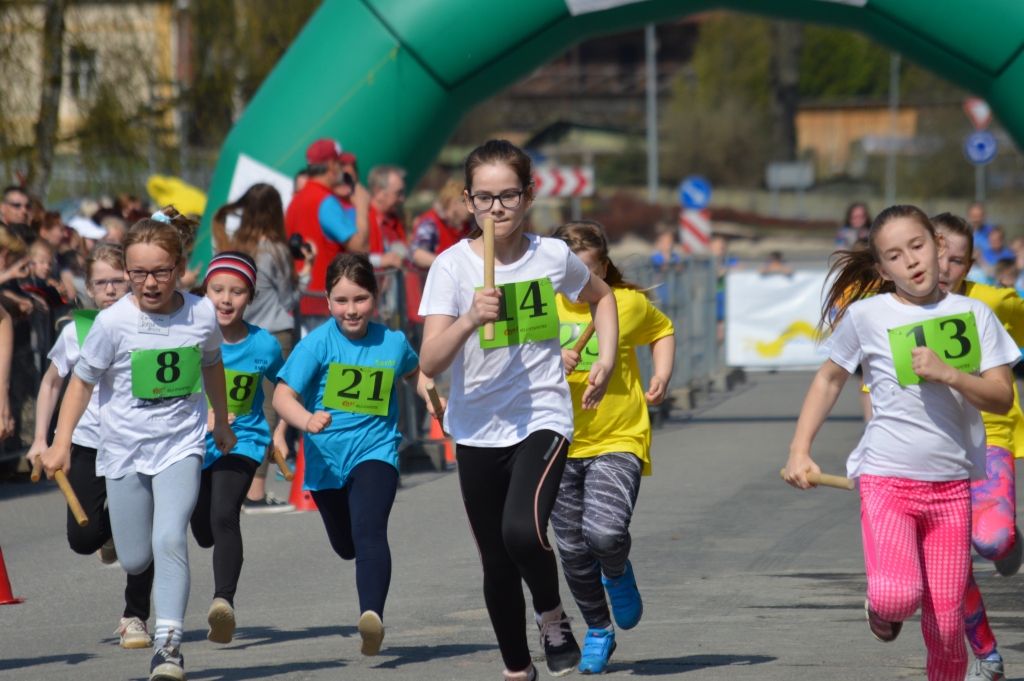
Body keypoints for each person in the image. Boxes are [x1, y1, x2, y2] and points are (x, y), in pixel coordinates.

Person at [783, 205, 1020, 681]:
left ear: (936, 243)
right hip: (886, 480)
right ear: (882, 268)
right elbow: (829, 379)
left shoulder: (974, 313)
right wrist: (799, 449)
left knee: (948, 623)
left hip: (951, 486)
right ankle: (882, 606)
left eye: (917, 246)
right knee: (899, 596)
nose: (911, 261)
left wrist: (949, 374)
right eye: (895, 255)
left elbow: (999, 396)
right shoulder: (867, 315)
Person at [418, 139, 620, 680]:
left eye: (508, 195)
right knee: (496, 559)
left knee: (522, 533)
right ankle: (516, 669)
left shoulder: (551, 257)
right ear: (466, 200)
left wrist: (609, 353)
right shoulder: (451, 267)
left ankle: (552, 615)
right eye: (483, 198)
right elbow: (430, 359)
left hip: (541, 415)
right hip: (476, 427)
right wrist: (467, 320)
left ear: (529, 196)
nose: (496, 208)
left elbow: (602, 297)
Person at [40, 207, 236, 681]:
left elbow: (211, 364)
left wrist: (222, 421)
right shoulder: (112, 323)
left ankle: (168, 645)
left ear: (180, 268)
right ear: (126, 271)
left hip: (179, 444)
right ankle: (133, 564)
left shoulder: (201, 313)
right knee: (134, 555)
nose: (149, 283)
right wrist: (61, 441)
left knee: (170, 537)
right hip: (123, 449)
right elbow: (81, 384)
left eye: (160, 272)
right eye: (138, 273)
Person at [273, 252, 437, 658]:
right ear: (327, 301)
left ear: (376, 297)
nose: (351, 309)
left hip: (376, 451)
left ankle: (371, 617)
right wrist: (306, 420)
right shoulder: (316, 344)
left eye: (360, 299)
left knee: (369, 532)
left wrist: (434, 401)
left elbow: (416, 374)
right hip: (326, 461)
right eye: (342, 300)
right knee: (347, 545)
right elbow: (282, 395)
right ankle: (368, 599)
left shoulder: (393, 342)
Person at [551, 220, 675, 674]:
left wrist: (660, 374)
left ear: (603, 267)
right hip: (556, 441)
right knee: (572, 548)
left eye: (588, 271)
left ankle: (618, 571)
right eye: (568, 272)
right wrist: (546, 355)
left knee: (603, 534)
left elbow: (662, 330)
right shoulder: (540, 309)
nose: (578, 282)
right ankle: (599, 629)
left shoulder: (625, 303)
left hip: (618, 437)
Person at [26, 243, 152, 648]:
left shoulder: (147, 323)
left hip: (136, 443)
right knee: (83, 539)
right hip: (86, 442)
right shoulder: (75, 331)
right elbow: (51, 383)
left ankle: (135, 616)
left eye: (119, 280)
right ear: (89, 286)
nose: (111, 289)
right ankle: (111, 531)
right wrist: (42, 438)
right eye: (102, 282)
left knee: (143, 532)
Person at [932, 212, 1024, 681]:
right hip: (930, 450)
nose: (946, 268)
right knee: (950, 567)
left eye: (959, 261)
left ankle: (1007, 542)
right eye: (938, 255)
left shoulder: (993, 302)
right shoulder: (896, 312)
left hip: (990, 437)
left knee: (991, 538)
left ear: (970, 267)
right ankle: (988, 657)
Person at [190, 251, 287, 643]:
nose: (226, 300)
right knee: (203, 530)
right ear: (204, 292)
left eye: (237, 292)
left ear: (251, 296)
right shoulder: (189, 338)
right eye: (217, 290)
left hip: (244, 441)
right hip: (193, 444)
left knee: (224, 512)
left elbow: (287, 386)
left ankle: (222, 603)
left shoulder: (264, 345)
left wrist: (281, 430)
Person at [212, 183, 309, 512]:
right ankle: (254, 491)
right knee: (266, 411)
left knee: (234, 408)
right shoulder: (275, 249)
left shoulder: (231, 245)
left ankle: (229, 480)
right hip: (272, 334)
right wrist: (306, 273)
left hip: (233, 336)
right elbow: (289, 300)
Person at [285, 139, 369, 322]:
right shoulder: (325, 201)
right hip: (324, 306)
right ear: (331, 166)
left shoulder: (296, 200)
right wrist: (362, 206)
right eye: (340, 163)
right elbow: (359, 248)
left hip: (300, 301)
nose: (342, 169)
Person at [366, 165, 407, 269]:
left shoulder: (396, 221)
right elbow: (349, 258)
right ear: (378, 192)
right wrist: (380, 261)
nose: (402, 199)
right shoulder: (362, 219)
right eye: (398, 193)